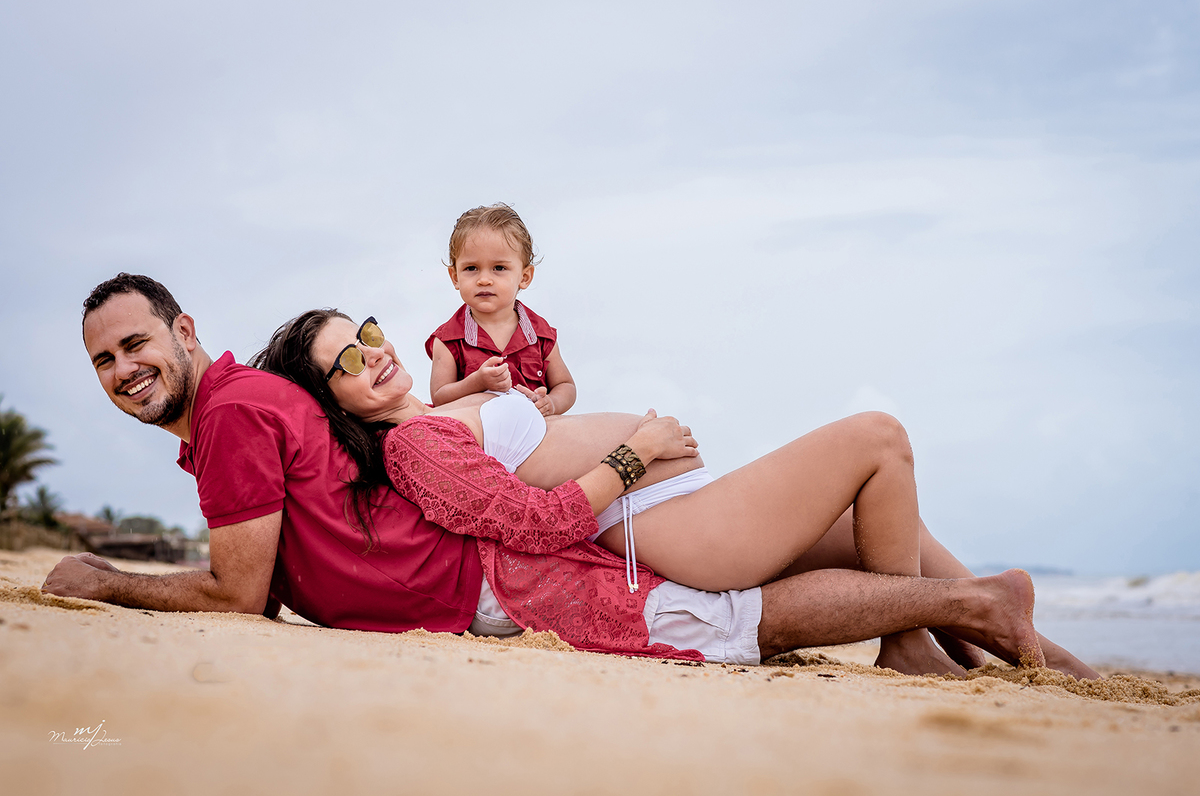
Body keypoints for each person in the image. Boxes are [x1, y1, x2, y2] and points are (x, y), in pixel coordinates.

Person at [42, 273, 1089, 678]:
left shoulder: (279, 412)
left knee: (863, 518)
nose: (125, 367)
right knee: (867, 456)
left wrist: (495, 390)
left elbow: (258, 574)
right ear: (333, 401)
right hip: (630, 522)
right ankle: (940, 620)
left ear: (184, 330)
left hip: (635, 509)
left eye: (369, 333)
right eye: (105, 360)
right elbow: (253, 586)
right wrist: (633, 452)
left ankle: (1019, 646)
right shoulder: (369, 434)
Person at [426, 204, 576, 415]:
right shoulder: (448, 340)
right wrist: (476, 382)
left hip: (537, 431)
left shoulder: (540, 334)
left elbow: (565, 385)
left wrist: (551, 403)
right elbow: (439, 397)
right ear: (455, 277)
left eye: (499, 268)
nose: (484, 279)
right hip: (477, 432)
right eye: (471, 268)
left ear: (524, 277)